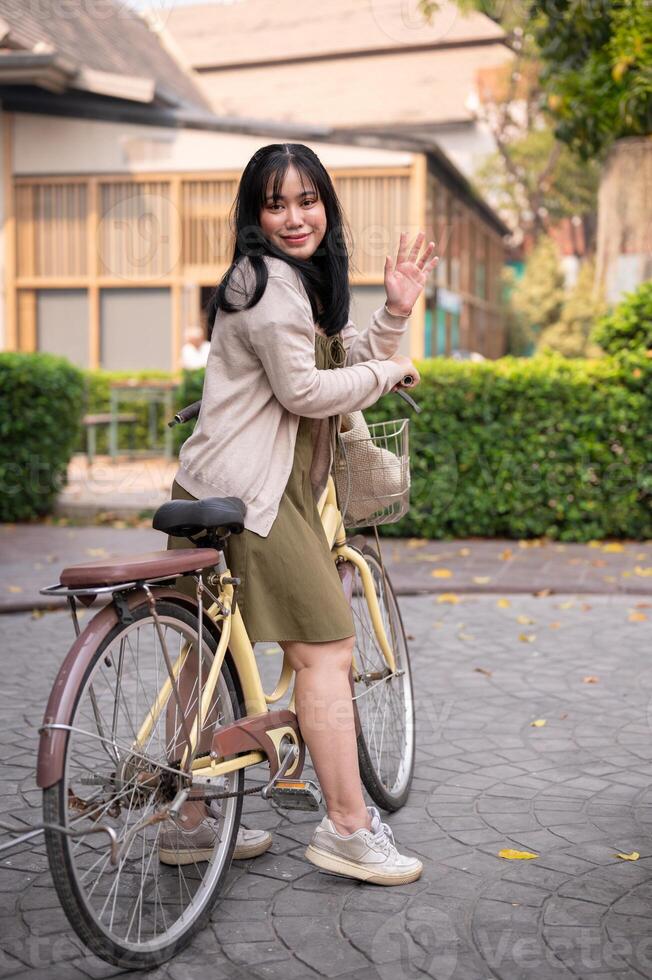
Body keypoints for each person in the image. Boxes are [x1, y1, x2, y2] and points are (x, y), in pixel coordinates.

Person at [162, 142, 438, 883]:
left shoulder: (287, 283)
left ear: (326, 205)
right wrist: (391, 368)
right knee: (326, 650)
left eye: (307, 199)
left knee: (206, 652)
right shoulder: (271, 285)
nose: (295, 216)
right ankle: (349, 826)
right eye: (276, 202)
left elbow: (336, 362)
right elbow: (306, 394)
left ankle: (188, 820)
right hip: (256, 495)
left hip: (217, 485)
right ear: (255, 214)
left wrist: (396, 312)